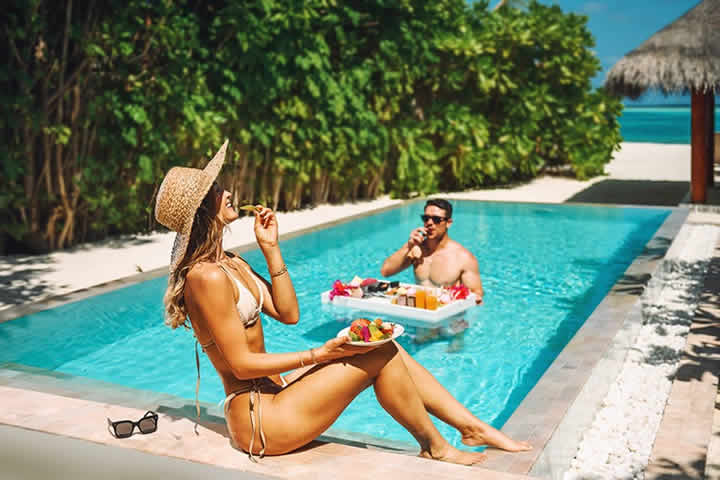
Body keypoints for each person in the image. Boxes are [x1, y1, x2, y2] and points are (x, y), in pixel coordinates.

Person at [154, 141, 530, 465]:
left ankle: (471, 428)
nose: (228, 191)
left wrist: (271, 249)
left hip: (277, 396)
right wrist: (323, 353)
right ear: (204, 209)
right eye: (217, 189)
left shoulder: (230, 262)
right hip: (261, 420)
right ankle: (435, 447)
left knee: (387, 345)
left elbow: (289, 314)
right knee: (376, 353)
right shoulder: (206, 276)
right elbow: (241, 363)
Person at [380, 199, 482, 346]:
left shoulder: (463, 257)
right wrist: (408, 246)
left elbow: (477, 296)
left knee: (454, 355)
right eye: (425, 218)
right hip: (424, 319)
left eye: (436, 219)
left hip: (451, 323)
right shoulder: (416, 249)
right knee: (416, 345)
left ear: (448, 223)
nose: (429, 223)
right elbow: (386, 271)